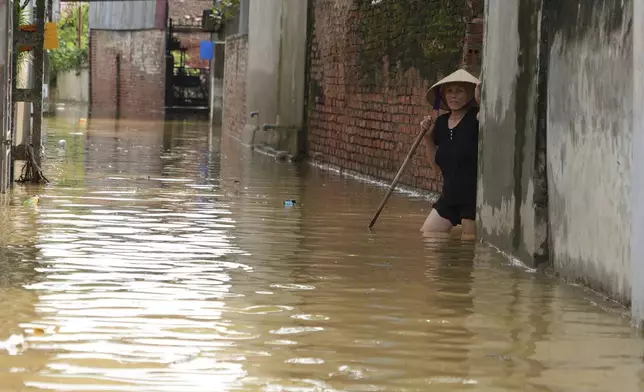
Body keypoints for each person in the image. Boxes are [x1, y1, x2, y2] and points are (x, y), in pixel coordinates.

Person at [419, 69, 481, 240]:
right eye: (449, 91)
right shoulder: (440, 123)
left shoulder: (477, 119)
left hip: (472, 199)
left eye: (460, 91)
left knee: (468, 249)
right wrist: (428, 138)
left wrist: (482, 101)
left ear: (470, 94)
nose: (454, 96)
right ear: (444, 95)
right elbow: (436, 168)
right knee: (428, 236)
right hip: (449, 197)